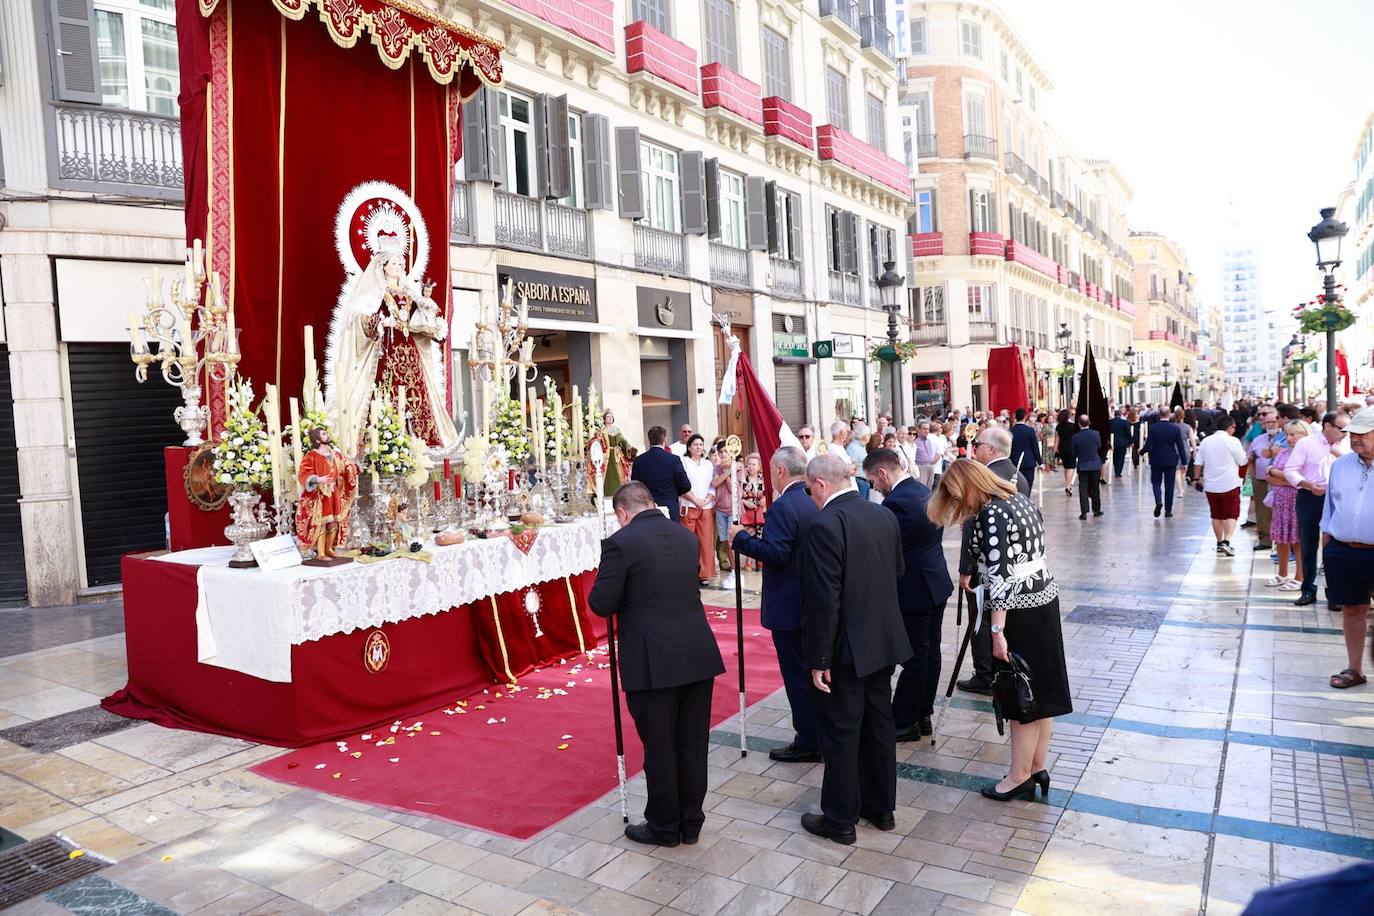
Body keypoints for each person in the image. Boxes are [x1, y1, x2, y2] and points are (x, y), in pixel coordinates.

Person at [588, 483, 726, 847]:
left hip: (653, 660)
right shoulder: (683, 536)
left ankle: (664, 826)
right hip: (696, 651)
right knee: (692, 742)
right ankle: (691, 822)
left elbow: (602, 603)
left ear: (622, 513)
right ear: (650, 503)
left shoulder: (621, 543)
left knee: (660, 745)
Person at [928, 459, 1071, 802]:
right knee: (1041, 696)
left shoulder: (992, 513)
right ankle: (1037, 767)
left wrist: (997, 631)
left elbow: (1002, 575)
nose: (963, 507)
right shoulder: (1020, 499)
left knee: (1019, 696)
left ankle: (1018, 776)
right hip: (1044, 602)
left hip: (1017, 612)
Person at [798, 453, 911, 844]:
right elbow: (896, 573)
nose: (810, 495)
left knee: (842, 731)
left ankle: (840, 818)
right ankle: (881, 808)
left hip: (846, 648)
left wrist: (819, 659)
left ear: (822, 484)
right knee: (879, 725)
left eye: (810, 488)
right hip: (882, 641)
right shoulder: (883, 515)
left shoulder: (825, 524)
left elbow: (823, 599)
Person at [730, 447, 821, 762]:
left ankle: (809, 739)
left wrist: (741, 539)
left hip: (789, 604)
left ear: (780, 471)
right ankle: (817, 732)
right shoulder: (813, 499)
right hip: (811, 600)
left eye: (771, 470)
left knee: (797, 676)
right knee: (811, 671)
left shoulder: (784, 506)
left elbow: (777, 553)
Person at [327, 246, 458, 450]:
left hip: (411, 354)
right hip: (387, 353)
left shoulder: (411, 294)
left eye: (401, 264)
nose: (399, 267)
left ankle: (423, 443)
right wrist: (378, 322)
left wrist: (434, 325)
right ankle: (387, 444)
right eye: (394, 263)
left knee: (419, 396)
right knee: (386, 394)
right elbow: (361, 319)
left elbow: (422, 319)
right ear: (383, 266)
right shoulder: (375, 293)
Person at [864, 448, 952, 741]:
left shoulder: (898, 503)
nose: (874, 488)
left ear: (883, 473)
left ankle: (904, 719)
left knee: (916, 654)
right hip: (934, 580)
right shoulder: (920, 489)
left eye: (873, 482)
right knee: (930, 651)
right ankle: (922, 712)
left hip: (916, 586)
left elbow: (887, 548)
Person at [955, 426, 1032, 696]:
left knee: (979, 618)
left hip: (987, 564)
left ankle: (985, 673)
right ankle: (996, 669)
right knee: (996, 617)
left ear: (992, 448)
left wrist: (966, 568)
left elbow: (971, 527)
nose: (974, 448)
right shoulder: (1018, 475)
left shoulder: (985, 478)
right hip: (1014, 562)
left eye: (978, 444)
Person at [1320, 406, 1374, 689]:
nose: (1354, 439)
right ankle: (1354, 669)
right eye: (1352, 433)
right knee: (1353, 608)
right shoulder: (1341, 465)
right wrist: (1327, 549)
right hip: (1343, 550)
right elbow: (1329, 510)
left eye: (1362, 434)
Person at [1285, 411, 1351, 607]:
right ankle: (1308, 589)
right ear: (1328, 427)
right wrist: (1306, 484)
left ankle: (1334, 592)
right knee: (1309, 544)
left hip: (1338, 499)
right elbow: (1291, 469)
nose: (1346, 433)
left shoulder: (1347, 445)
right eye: (1342, 429)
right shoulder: (1307, 443)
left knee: (1335, 545)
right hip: (1310, 496)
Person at [295, 426, 359, 561]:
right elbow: (303, 473)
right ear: (317, 440)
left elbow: (345, 464)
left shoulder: (334, 454)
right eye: (324, 434)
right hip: (319, 494)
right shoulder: (311, 455)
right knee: (322, 523)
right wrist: (318, 479)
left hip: (333, 492)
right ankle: (321, 553)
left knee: (333, 522)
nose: (327, 435)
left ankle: (329, 549)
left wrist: (354, 467)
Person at [1195, 414, 1247, 556]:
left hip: (1211, 485)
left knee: (1216, 514)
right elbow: (1242, 461)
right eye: (1234, 427)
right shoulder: (1233, 441)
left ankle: (1218, 542)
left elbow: (1198, 462)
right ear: (1229, 427)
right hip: (1230, 483)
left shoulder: (1206, 441)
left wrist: (1196, 479)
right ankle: (1227, 541)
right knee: (1231, 513)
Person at [1267, 421, 1305, 591]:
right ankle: (1282, 573)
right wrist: (1284, 477)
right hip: (1281, 502)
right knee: (1281, 538)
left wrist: (1277, 474)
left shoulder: (1306, 454)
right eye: (1287, 434)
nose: (1288, 438)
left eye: (1293, 434)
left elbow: (1301, 481)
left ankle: (1300, 576)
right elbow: (1269, 477)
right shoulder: (1282, 453)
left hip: (1298, 501)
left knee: (1298, 540)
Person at [678, 434, 717, 586]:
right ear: (689, 447)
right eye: (695, 444)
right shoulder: (684, 462)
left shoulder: (708, 464)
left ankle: (704, 574)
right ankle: (688, 573)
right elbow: (681, 485)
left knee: (705, 541)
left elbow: (713, 484)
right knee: (688, 541)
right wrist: (695, 500)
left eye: (701, 444)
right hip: (689, 506)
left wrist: (707, 498)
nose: (698, 447)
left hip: (706, 507)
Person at [630, 426, 691, 522]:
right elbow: (685, 486)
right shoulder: (673, 460)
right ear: (665, 439)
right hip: (669, 506)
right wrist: (672, 491)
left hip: (646, 509)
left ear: (649, 439)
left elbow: (635, 486)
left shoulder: (639, 461)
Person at [1143, 411, 1189, 518]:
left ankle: (1158, 501)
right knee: (1169, 486)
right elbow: (1180, 446)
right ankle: (1168, 511)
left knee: (1156, 483)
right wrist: (1184, 462)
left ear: (1159, 415)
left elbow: (1149, 445)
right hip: (1171, 460)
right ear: (1169, 415)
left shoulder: (1153, 428)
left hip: (1156, 459)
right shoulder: (1175, 428)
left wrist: (1141, 452)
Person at [1246, 413, 1278, 551]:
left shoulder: (1283, 438)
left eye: (1273, 421)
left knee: (1278, 511)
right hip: (1261, 480)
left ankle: (1280, 541)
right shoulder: (1258, 440)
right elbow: (1251, 458)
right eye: (1267, 422)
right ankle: (1265, 540)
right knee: (1262, 511)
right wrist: (1253, 477)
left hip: (1279, 481)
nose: (1270, 424)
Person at [710, 446, 738, 585]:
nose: (722, 454)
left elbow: (733, 490)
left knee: (732, 541)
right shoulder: (717, 468)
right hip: (720, 510)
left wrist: (729, 471)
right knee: (726, 541)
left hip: (733, 510)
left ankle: (736, 571)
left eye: (725, 451)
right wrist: (728, 471)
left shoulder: (738, 468)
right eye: (720, 452)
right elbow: (715, 483)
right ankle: (733, 570)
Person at [1070, 415, 1104, 520]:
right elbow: (1099, 446)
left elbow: (1074, 452)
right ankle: (1096, 509)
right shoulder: (1096, 434)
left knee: (1083, 489)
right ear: (1089, 422)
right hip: (1095, 465)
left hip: (1083, 466)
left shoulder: (1076, 437)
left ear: (1079, 424)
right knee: (1095, 488)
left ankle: (1084, 512)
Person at [737, 453, 766, 571]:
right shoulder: (743, 479)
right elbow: (738, 496)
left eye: (754, 464)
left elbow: (768, 494)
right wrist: (745, 502)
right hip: (748, 512)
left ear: (759, 466)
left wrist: (765, 500)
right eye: (749, 464)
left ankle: (760, 561)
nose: (751, 467)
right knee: (749, 536)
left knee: (761, 536)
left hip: (761, 512)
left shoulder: (763, 479)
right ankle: (749, 561)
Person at [1009, 408, 1042, 490]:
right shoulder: (1030, 431)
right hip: (1029, 461)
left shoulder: (1011, 431)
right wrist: (1040, 462)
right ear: (1025, 417)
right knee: (1028, 483)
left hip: (1014, 461)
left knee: (1016, 483)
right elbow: (1035, 447)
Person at [1054, 409, 1077, 495]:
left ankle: (1068, 484)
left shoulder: (1058, 427)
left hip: (1062, 448)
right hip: (1071, 447)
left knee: (1066, 467)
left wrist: (1055, 450)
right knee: (1071, 467)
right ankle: (1068, 485)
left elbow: (1057, 439)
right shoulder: (1073, 426)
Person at [1109, 408, 1132, 479]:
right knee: (1121, 458)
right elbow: (1128, 432)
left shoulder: (1110, 422)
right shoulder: (1124, 422)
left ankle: (1116, 469)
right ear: (1120, 415)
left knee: (1115, 457)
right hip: (1122, 443)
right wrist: (1131, 441)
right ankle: (1118, 472)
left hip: (1113, 442)